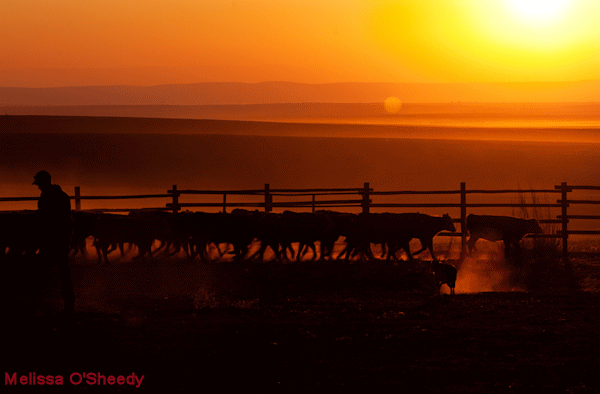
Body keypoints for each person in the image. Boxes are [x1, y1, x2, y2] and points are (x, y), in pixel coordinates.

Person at [33, 170, 75, 316]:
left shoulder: (46, 198)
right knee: (63, 272)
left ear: (44, 182)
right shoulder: (62, 197)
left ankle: (34, 303)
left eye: (39, 183)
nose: (38, 187)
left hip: (50, 240)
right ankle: (69, 305)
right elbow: (66, 221)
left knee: (41, 271)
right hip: (60, 240)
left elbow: (45, 221)